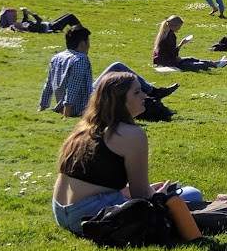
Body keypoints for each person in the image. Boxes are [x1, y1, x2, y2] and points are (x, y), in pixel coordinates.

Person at [50, 71, 205, 236]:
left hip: (61, 212)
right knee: (192, 194)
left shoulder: (85, 128)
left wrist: (129, 191)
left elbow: (94, 180)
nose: (144, 96)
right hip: (90, 216)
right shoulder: (131, 134)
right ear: (119, 101)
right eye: (137, 92)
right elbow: (142, 194)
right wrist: (159, 194)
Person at [151, 15, 227, 72]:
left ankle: (215, 62)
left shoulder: (163, 34)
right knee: (193, 64)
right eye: (179, 27)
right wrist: (181, 44)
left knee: (191, 59)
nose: (179, 29)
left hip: (163, 60)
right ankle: (216, 64)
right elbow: (173, 54)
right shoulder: (170, 36)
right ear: (174, 26)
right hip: (168, 62)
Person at [3, 7, 81, 34]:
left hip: (50, 24)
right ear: (17, 28)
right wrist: (32, 14)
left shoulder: (24, 24)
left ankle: (78, 29)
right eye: (15, 24)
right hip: (52, 28)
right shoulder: (29, 27)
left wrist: (25, 11)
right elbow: (39, 20)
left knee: (68, 14)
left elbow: (25, 17)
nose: (16, 22)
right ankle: (80, 29)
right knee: (70, 16)